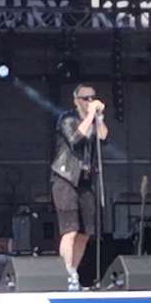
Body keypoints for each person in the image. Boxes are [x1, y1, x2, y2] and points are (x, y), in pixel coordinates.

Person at [51, 83, 109, 290]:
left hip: (85, 180)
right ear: (76, 101)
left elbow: (104, 137)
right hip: (65, 178)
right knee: (70, 229)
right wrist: (90, 115)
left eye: (92, 97)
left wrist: (99, 118)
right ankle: (65, 273)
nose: (90, 101)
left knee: (86, 231)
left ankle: (73, 273)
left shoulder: (93, 120)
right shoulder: (66, 119)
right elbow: (76, 139)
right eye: (85, 98)